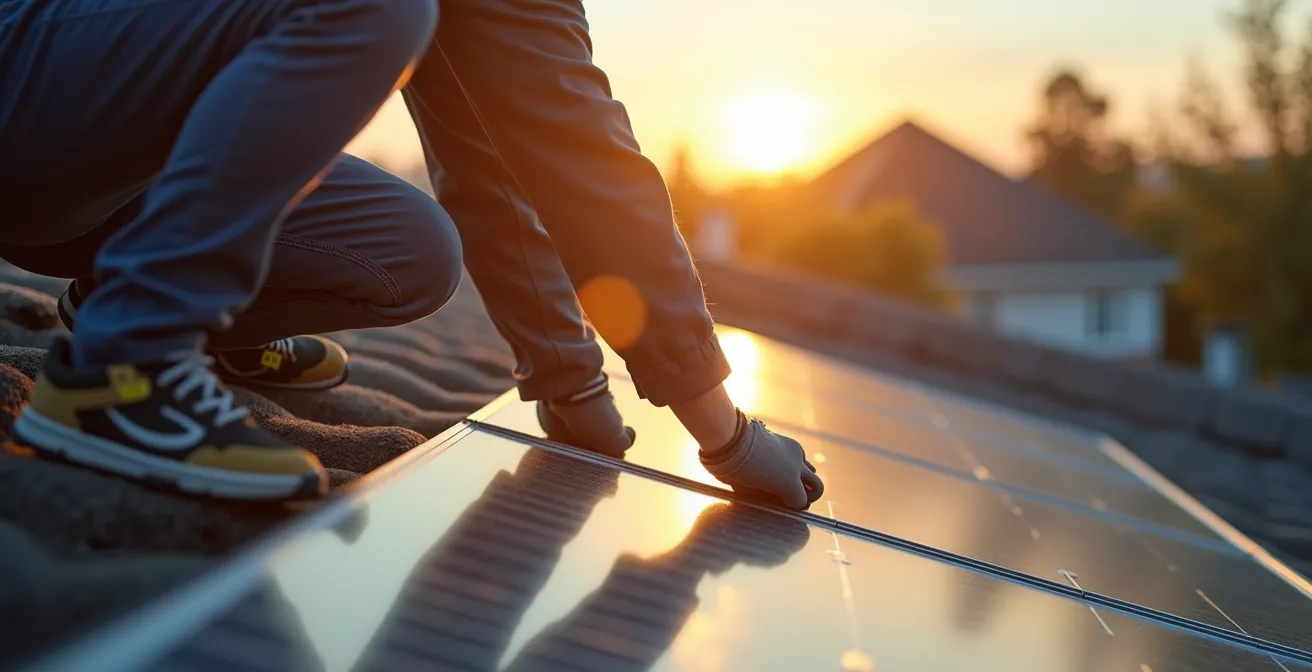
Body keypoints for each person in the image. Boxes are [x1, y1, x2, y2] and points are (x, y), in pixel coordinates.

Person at [0, 0, 825, 510]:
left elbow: (493, 148)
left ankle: (140, 298)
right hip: (31, 81)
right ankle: (126, 363)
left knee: (414, 251)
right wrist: (726, 436)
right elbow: (584, 153)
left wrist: (570, 380)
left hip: (104, 166)